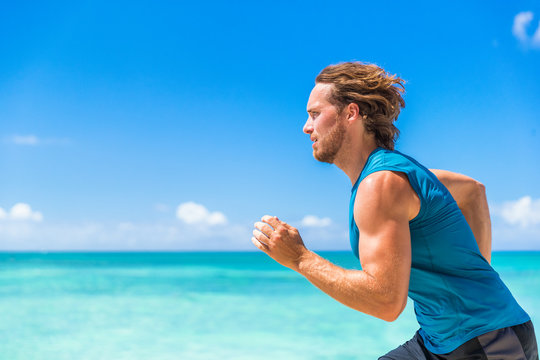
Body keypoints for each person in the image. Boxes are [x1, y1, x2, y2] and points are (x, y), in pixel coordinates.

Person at [251, 62, 538, 359]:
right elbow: (473, 192)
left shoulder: (381, 184)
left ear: (351, 113)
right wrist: (473, 279)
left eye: (314, 114)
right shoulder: (398, 175)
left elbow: (386, 302)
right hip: (441, 339)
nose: (306, 126)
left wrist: (300, 258)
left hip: (487, 341)